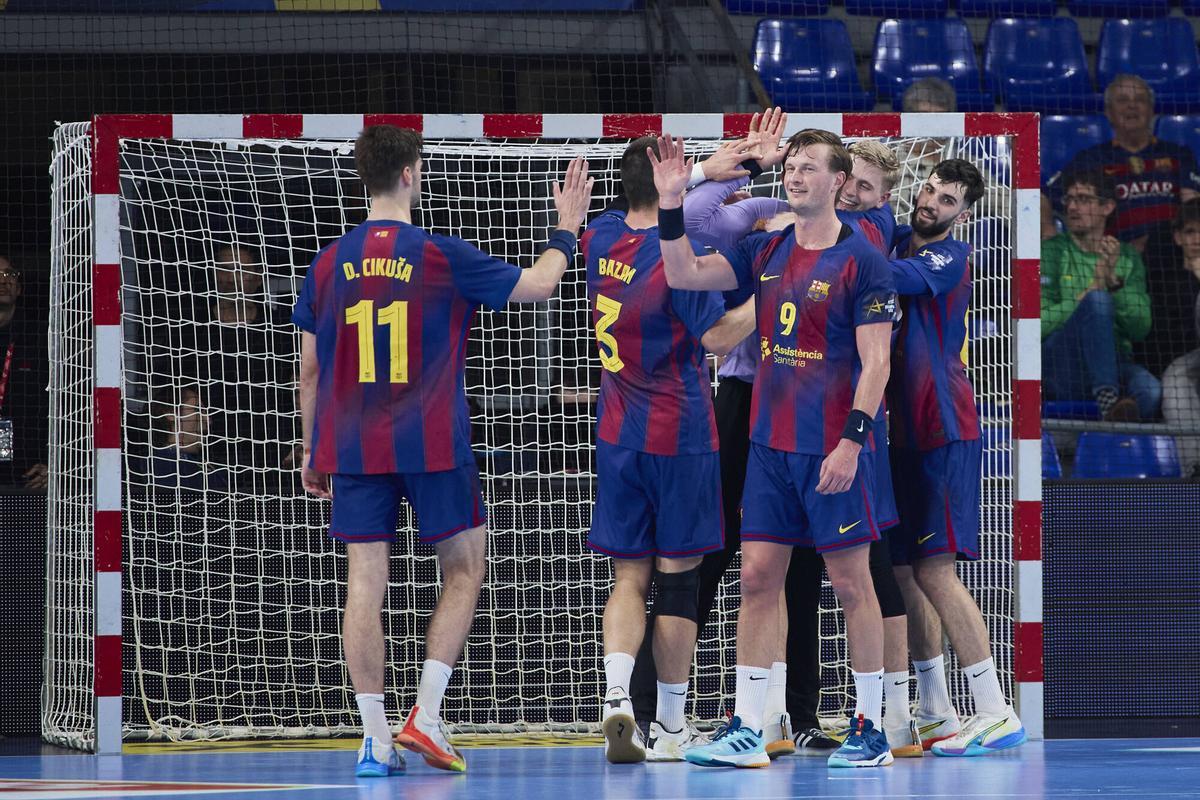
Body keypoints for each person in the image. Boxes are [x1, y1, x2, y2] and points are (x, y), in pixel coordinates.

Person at [292, 124, 593, 777]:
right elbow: (542, 286)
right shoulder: (439, 254)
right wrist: (566, 228)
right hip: (432, 441)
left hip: (352, 445)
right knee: (463, 570)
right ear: (410, 175)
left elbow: (310, 372)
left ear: (364, 177)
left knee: (364, 584)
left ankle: (374, 742)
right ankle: (425, 716)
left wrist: (312, 448)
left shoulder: (326, 263)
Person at [654, 129, 897, 769]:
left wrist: (852, 443)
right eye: (791, 164)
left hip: (832, 450)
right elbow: (681, 270)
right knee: (758, 578)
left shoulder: (864, 259)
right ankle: (747, 726)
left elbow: (877, 366)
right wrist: (674, 203)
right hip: (768, 447)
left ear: (839, 183)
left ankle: (870, 728)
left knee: (851, 584)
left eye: (810, 166)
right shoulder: (766, 247)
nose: (794, 174)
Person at [586, 136, 757, 765]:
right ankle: (671, 726)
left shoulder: (601, 238)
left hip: (616, 434)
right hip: (679, 435)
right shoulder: (675, 256)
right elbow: (716, 337)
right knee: (678, 582)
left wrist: (698, 176)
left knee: (627, 575)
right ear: (672, 185)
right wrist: (770, 294)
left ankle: (616, 699)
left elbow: (637, 201)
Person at [886, 158, 1027, 757]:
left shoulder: (951, 258)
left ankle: (996, 711)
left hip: (944, 427)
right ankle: (938, 708)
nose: (932, 203)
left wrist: (822, 250)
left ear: (962, 216)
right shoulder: (892, 238)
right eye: (931, 190)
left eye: (947, 201)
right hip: (896, 431)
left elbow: (890, 280)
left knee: (936, 570)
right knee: (902, 570)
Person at [1042, 169, 1157, 421]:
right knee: (1098, 300)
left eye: (1083, 199)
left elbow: (1140, 328)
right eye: (1069, 199)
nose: (1073, 206)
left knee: (1150, 391)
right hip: (1061, 364)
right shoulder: (1050, 252)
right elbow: (1035, 324)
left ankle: (1109, 425)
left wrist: (1114, 283)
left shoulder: (1126, 256)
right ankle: (1108, 402)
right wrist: (1089, 295)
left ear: (1107, 207)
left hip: (1114, 359)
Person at [1051, 75, 1200, 253]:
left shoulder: (1178, 154)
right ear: (1108, 112)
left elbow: (1192, 208)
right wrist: (1047, 230)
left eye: (1140, 100)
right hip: (1115, 256)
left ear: (1151, 110)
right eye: (1122, 100)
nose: (1132, 105)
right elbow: (1043, 197)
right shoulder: (1092, 158)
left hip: (1171, 255)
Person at [1151, 201, 1200, 475]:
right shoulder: (1165, 280)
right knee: (1176, 376)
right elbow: (1161, 337)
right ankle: (1195, 467)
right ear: (1178, 237)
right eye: (1191, 232)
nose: (1197, 240)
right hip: (1187, 360)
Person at [0, 256, 48, 490]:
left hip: (30, 475)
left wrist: (56, 463)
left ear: (18, 288)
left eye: (9, 275)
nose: (3, 281)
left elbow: (66, 407)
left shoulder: (41, 338)